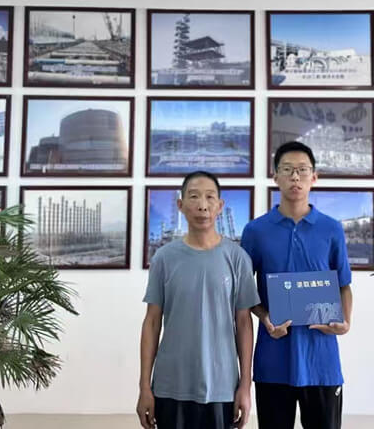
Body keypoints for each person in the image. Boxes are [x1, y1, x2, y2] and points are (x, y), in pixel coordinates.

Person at [240, 141, 353, 429]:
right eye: (287, 170)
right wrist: (265, 317)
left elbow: (343, 285)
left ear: (314, 177)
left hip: (322, 361)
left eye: (302, 170)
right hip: (273, 358)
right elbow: (243, 290)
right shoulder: (256, 231)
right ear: (275, 176)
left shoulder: (331, 228)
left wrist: (346, 322)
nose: (295, 177)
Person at [137, 171, 260, 429]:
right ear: (180, 205)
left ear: (220, 205)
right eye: (193, 196)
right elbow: (152, 322)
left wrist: (245, 386)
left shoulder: (237, 258)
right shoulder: (164, 258)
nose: (202, 205)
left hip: (222, 387)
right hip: (171, 385)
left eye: (209, 197)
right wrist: (144, 386)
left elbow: (244, 324)